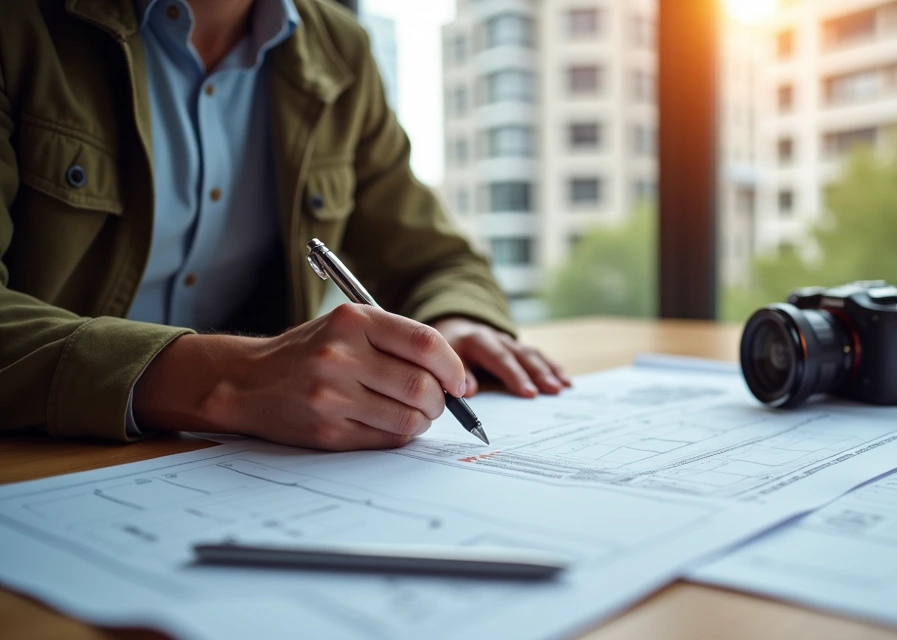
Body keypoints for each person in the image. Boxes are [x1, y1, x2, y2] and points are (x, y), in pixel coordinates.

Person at [0, 0, 571, 450]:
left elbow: (436, 259)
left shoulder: (339, 49)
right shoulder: (22, 24)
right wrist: (234, 381)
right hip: (42, 462)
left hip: (238, 466)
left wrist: (457, 321)